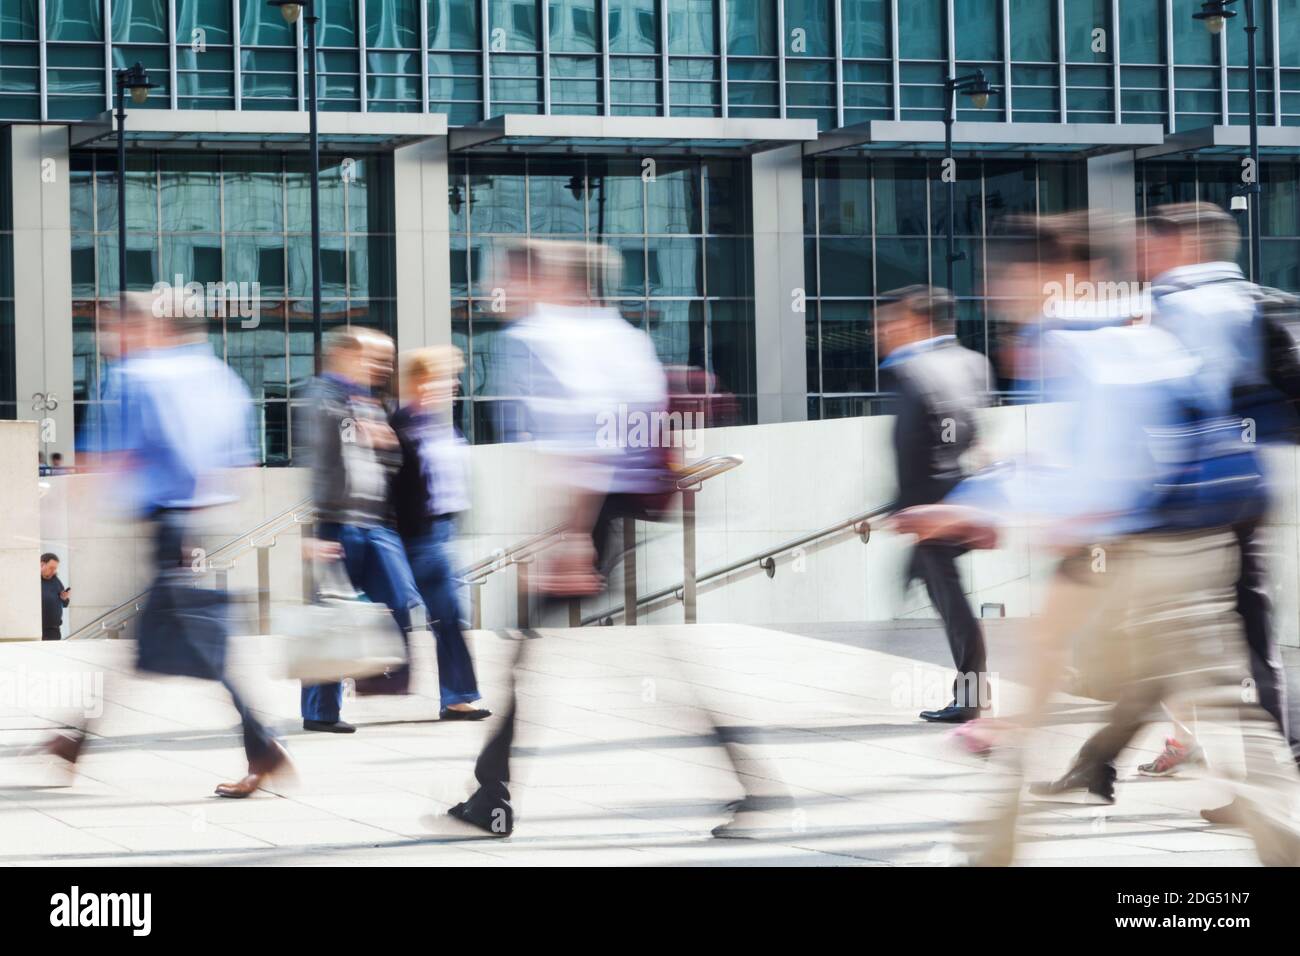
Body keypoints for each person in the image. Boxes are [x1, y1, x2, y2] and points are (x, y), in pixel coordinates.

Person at [44, 289, 290, 799]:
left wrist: (74, 499)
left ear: (141, 328)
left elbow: (105, 457)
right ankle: (74, 741)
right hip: (195, 523)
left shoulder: (135, 377)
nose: (109, 340)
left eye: (114, 329)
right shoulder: (216, 375)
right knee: (154, 643)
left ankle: (263, 747)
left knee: (186, 646)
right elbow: (240, 465)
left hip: (163, 526)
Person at [296, 327, 422, 732]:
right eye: (375, 357)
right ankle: (320, 712)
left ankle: (374, 684)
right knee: (332, 617)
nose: (383, 366)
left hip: (373, 521)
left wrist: (384, 441)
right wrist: (317, 533)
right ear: (348, 356)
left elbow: (385, 459)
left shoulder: (366, 399)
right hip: (338, 521)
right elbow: (322, 461)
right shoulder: (324, 396)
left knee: (400, 599)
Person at [879, 285, 993, 723]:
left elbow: (912, 447)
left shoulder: (913, 371)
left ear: (917, 322)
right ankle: (970, 695)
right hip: (961, 494)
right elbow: (966, 434)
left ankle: (971, 699)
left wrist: (908, 510)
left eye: (891, 322)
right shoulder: (972, 363)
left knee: (953, 603)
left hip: (932, 507)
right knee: (948, 597)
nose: (884, 332)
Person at [390, 346, 490, 720]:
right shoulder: (398, 427)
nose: (455, 383)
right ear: (422, 381)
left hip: (441, 533)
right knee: (413, 614)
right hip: (415, 537)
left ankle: (457, 696)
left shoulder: (439, 425)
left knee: (448, 617)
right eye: (447, 376)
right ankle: (333, 692)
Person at [40, 552, 69, 641]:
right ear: (42, 564)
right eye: (51, 568)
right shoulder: (32, 580)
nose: (53, 571)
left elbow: (65, 604)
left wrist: (64, 598)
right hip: (38, 630)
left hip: (54, 631)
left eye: (55, 569)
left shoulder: (56, 581)